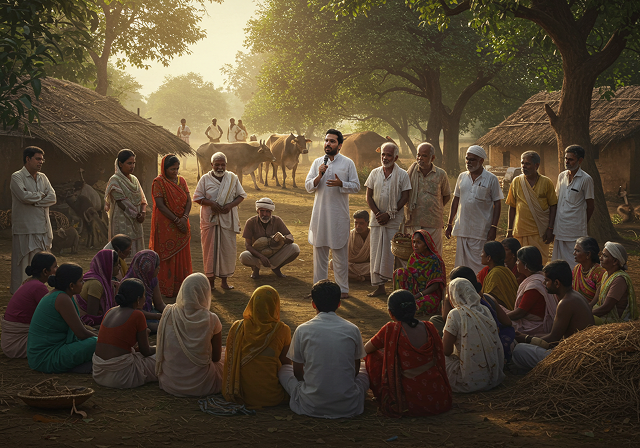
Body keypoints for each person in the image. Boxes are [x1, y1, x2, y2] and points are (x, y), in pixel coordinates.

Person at [278, 280, 369, 418]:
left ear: (313, 304)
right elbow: (355, 370)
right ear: (339, 304)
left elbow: (297, 373)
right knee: (365, 367)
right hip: (348, 405)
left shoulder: (302, 330)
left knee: (284, 369)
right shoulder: (352, 329)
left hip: (311, 404)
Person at [364, 289, 452, 417]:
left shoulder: (391, 329)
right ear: (415, 308)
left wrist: (388, 351)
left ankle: (385, 395)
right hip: (437, 398)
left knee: (373, 356)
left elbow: (366, 350)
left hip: (407, 403)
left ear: (390, 312)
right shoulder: (430, 327)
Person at [305, 129, 360, 299]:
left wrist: (340, 183)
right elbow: (308, 186)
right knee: (319, 255)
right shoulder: (317, 163)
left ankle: (342, 290)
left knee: (339, 256)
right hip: (320, 215)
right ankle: (318, 290)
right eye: (326, 140)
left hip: (338, 216)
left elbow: (356, 186)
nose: (328, 144)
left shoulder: (347, 163)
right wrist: (319, 175)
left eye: (332, 141)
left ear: (340, 145)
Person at [511, 260, 595, 373]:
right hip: (579, 354)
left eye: (546, 281)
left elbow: (553, 340)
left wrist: (525, 338)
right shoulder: (575, 296)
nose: (544, 284)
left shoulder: (566, 302)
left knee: (519, 350)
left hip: (573, 359)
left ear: (556, 283)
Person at [156, 273, 224, 397]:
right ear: (205, 292)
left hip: (170, 383)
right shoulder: (212, 319)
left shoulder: (169, 312)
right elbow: (216, 358)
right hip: (202, 385)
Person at [222, 286, 291, 407]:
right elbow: (286, 363)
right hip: (272, 396)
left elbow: (229, 360)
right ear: (275, 305)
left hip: (240, 394)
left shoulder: (237, 328)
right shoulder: (282, 330)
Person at [27, 263, 98, 374]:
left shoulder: (60, 295)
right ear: (71, 285)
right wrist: (104, 341)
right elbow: (81, 333)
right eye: (80, 281)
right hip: (46, 358)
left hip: (42, 356)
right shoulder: (62, 298)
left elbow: (79, 328)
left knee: (95, 338)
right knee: (96, 342)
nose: (83, 284)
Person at [193, 152, 247, 290]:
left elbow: (241, 196)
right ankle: (210, 283)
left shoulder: (232, 178)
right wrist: (211, 203)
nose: (220, 167)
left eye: (222, 164)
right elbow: (197, 197)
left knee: (227, 250)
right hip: (210, 220)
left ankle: (224, 281)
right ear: (212, 165)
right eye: (217, 164)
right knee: (210, 251)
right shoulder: (205, 179)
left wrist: (229, 206)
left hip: (227, 219)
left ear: (226, 165)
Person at [445, 145, 502, 274]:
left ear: (481, 161)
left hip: (481, 230)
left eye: (472, 159)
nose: (468, 162)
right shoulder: (461, 177)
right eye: (467, 159)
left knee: (479, 265)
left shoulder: (491, 179)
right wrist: (449, 223)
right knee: (461, 265)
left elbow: (497, 203)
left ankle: (480, 290)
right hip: (462, 228)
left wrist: (493, 227)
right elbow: (456, 200)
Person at [364, 142, 411, 297]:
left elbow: (405, 197)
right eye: (383, 154)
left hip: (394, 220)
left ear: (395, 157)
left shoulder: (403, 174)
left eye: (389, 155)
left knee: (394, 254)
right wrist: (378, 213)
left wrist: (390, 213)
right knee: (377, 252)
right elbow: (368, 196)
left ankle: (397, 287)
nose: (385, 157)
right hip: (377, 219)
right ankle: (380, 287)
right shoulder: (374, 173)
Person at [439, 266, 515, 362]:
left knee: (436, 322)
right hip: (494, 350)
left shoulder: (456, 313)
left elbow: (446, 320)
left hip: (471, 357)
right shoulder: (486, 300)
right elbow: (507, 322)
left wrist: (447, 297)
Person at [443, 278, 505, 393]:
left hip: (468, 380)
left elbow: (446, 351)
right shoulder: (485, 310)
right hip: (493, 377)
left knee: (437, 358)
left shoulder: (455, 314)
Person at [92, 279, 158, 388]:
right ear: (138, 299)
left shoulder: (110, 311)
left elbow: (122, 344)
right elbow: (145, 351)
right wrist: (161, 347)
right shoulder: (137, 315)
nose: (145, 299)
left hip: (99, 373)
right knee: (162, 359)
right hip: (120, 376)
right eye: (143, 296)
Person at [10, 146, 57, 293]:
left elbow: (53, 197)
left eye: (42, 159)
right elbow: (23, 197)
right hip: (25, 228)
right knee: (24, 266)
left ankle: (39, 293)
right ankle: (22, 296)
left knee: (42, 265)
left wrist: (34, 200)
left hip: (43, 228)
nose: (40, 162)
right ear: (27, 159)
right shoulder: (17, 177)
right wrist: (42, 196)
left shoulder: (43, 177)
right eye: (37, 158)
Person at [149, 154, 192, 297]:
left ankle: (182, 287)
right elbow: (160, 205)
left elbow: (188, 201)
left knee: (182, 255)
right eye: (172, 169)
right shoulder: (158, 182)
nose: (175, 172)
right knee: (166, 257)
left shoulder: (182, 181)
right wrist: (176, 220)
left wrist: (184, 218)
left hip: (182, 222)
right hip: (166, 224)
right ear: (164, 168)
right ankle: (166, 288)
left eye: (177, 168)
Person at [1, 252, 57, 358]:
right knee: (61, 337)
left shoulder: (30, 283)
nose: (57, 269)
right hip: (17, 343)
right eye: (55, 266)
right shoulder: (38, 287)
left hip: (10, 341)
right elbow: (54, 314)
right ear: (45, 271)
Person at [506, 151, 558, 264]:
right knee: (520, 262)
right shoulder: (516, 181)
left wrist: (550, 229)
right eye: (522, 163)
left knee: (538, 263)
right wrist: (509, 230)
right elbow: (512, 207)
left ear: (536, 165)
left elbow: (553, 206)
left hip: (540, 232)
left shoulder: (546, 182)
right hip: (520, 230)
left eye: (528, 163)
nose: (524, 166)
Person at [404, 142, 451, 255]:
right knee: (414, 256)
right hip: (414, 221)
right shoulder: (409, 174)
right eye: (418, 155)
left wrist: (435, 207)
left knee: (434, 255)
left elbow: (446, 195)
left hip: (433, 223)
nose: (420, 158)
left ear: (432, 157)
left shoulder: (441, 174)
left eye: (424, 155)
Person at [551, 145, 594, 269]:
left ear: (580, 160)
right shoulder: (561, 176)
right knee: (559, 262)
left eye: (571, 159)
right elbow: (557, 199)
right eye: (566, 159)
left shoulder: (586, 179)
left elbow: (590, 206)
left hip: (576, 230)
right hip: (560, 228)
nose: (567, 162)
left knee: (574, 262)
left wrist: (582, 223)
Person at [239, 197, 300, 279]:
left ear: (271, 212)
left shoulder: (277, 220)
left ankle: (276, 267)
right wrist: (261, 257)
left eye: (268, 211)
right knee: (244, 256)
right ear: (257, 211)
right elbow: (248, 245)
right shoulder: (250, 222)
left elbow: (291, 238)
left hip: (274, 253)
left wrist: (282, 239)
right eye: (262, 211)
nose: (265, 214)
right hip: (257, 255)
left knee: (295, 248)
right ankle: (256, 269)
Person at [507, 246, 558, 336]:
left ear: (526, 265)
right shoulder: (538, 278)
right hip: (530, 322)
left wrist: (499, 317)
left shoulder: (534, 285)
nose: (516, 263)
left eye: (518, 261)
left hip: (533, 326)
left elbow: (520, 313)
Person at [105, 149, 147, 255]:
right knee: (122, 249)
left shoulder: (134, 180)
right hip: (122, 220)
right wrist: (136, 215)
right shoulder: (115, 180)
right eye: (129, 163)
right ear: (120, 163)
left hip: (137, 221)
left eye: (133, 163)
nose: (132, 166)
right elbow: (121, 203)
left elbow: (143, 199)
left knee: (136, 251)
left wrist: (143, 213)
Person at [393, 230, 446, 314]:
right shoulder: (413, 257)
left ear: (426, 245)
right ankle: (400, 299)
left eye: (418, 242)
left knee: (417, 305)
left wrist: (419, 295)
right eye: (413, 242)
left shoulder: (435, 260)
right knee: (399, 272)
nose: (415, 245)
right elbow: (408, 278)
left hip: (428, 294)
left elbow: (435, 285)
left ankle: (405, 306)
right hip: (414, 292)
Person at [590, 242, 638, 323]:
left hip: (613, 321)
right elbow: (596, 298)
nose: (600, 258)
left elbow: (606, 308)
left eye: (605, 256)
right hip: (604, 315)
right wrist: (586, 308)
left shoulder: (619, 279)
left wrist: (586, 314)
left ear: (615, 261)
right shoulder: (606, 274)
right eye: (602, 255)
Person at [123, 250, 166, 330]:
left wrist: (170, 312)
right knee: (162, 327)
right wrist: (156, 316)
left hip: (149, 312)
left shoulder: (152, 279)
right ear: (148, 269)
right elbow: (133, 310)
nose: (159, 269)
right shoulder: (130, 283)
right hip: (133, 316)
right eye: (156, 267)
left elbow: (159, 304)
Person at [74, 249, 119, 326]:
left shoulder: (104, 281)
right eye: (116, 265)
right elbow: (92, 317)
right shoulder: (96, 284)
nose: (119, 267)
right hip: (83, 322)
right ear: (108, 266)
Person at [330, 210, 371, 282]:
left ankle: (352, 277)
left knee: (378, 267)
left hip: (367, 266)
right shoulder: (349, 234)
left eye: (361, 223)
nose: (358, 226)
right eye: (356, 223)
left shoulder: (373, 236)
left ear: (368, 223)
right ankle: (359, 278)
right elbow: (343, 256)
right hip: (351, 266)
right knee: (332, 263)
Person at [478, 241, 519, 310]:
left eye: (483, 252)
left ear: (489, 258)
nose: (481, 255)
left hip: (505, 314)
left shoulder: (495, 274)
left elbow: (489, 300)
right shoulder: (505, 270)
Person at [572, 236, 605, 303]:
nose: (574, 253)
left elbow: (598, 298)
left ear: (588, 254)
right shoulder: (577, 268)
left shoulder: (599, 272)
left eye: (577, 251)